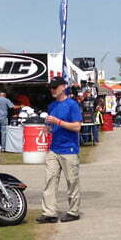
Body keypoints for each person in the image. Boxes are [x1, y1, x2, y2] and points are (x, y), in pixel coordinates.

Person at [37, 77, 83, 223]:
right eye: (51, 87)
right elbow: (52, 125)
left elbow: (77, 127)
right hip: (54, 148)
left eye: (55, 87)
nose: (52, 90)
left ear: (63, 87)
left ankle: (73, 211)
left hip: (69, 149)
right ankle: (49, 212)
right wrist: (48, 128)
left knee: (72, 181)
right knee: (50, 180)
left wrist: (58, 122)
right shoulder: (51, 106)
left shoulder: (72, 105)